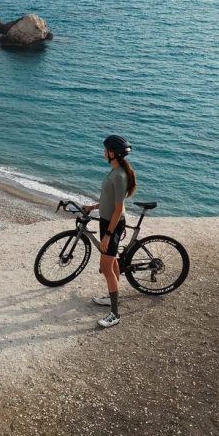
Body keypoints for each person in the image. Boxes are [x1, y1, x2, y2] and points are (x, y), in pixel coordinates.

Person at [82, 134, 138, 328]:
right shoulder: (115, 171)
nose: (103, 152)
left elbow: (118, 208)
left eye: (106, 149)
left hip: (112, 225)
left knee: (106, 268)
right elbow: (109, 200)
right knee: (112, 261)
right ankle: (111, 297)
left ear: (113, 153)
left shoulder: (120, 175)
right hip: (106, 221)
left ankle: (115, 314)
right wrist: (94, 207)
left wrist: (107, 235)